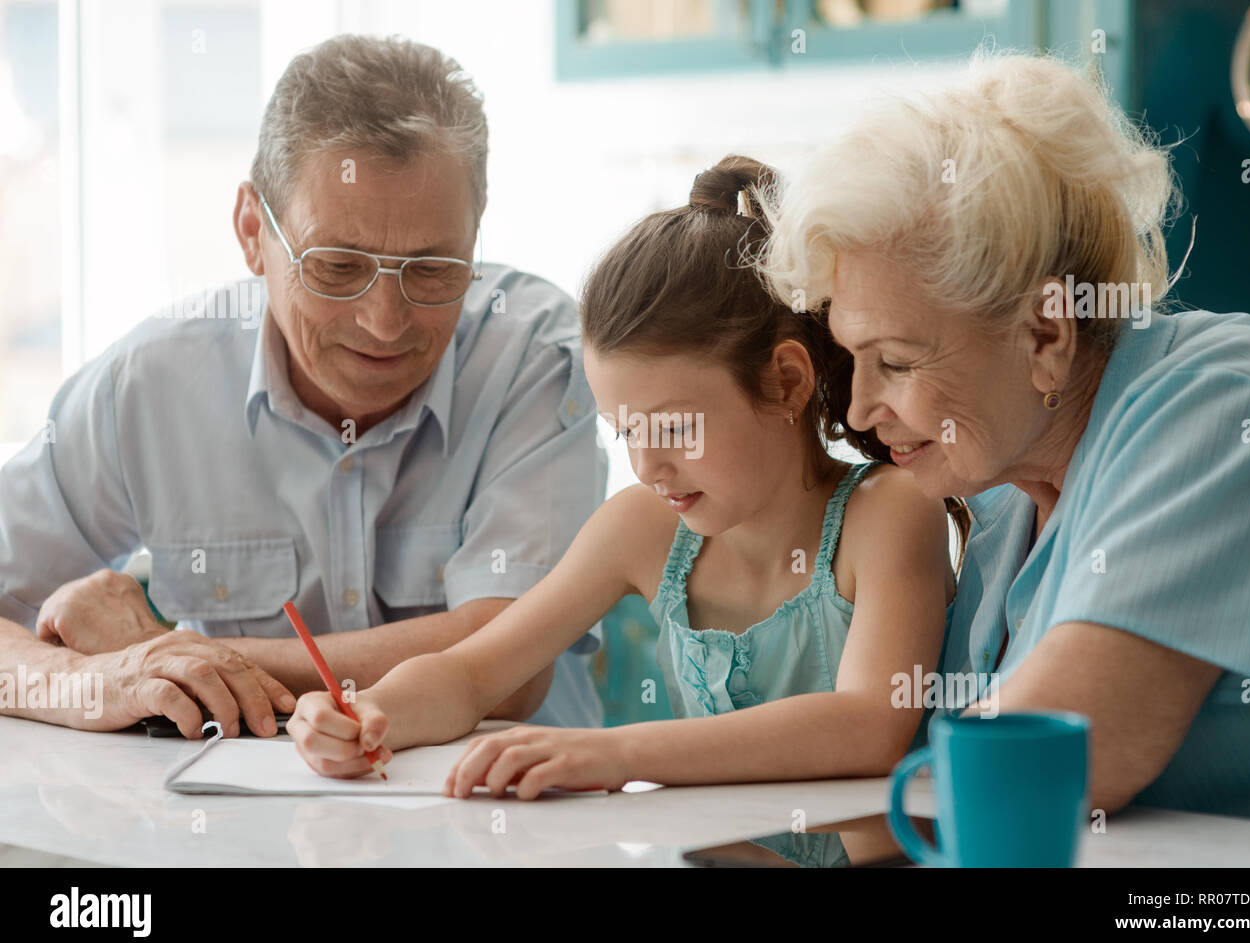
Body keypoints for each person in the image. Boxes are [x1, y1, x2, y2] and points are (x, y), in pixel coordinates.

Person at [288, 156, 965, 808]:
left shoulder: (889, 513)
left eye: (672, 430)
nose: (647, 468)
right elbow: (471, 673)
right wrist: (368, 711)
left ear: (786, 381)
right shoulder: (644, 528)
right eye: (626, 431)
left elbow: (869, 723)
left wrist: (620, 753)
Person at [0, 34, 606, 736]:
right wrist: (88, 677)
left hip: (505, 828)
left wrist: (175, 659)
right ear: (253, 230)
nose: (386, 323)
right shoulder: (149, 386)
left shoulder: (536, 357)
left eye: (434, 269)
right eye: (338, 266)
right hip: (233, 830)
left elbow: (508, 665)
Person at [761, 52, 1250, 822]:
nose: (859, 409)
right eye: (854, 360)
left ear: (1045, 331)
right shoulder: (1006, 492)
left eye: (897, 361)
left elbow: (1058, 762)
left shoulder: (1226, 401)